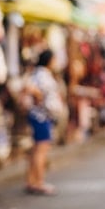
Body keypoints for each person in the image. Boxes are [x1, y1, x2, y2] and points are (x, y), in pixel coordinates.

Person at [24, 48, 65, 195]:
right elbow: (32, 90)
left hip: (38, 116)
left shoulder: (38, 73)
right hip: (41, 116)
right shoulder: (42, 75)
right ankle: (39, 182)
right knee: (41, 150)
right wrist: (40, 99)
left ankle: (31, 180)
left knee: (36, 149)